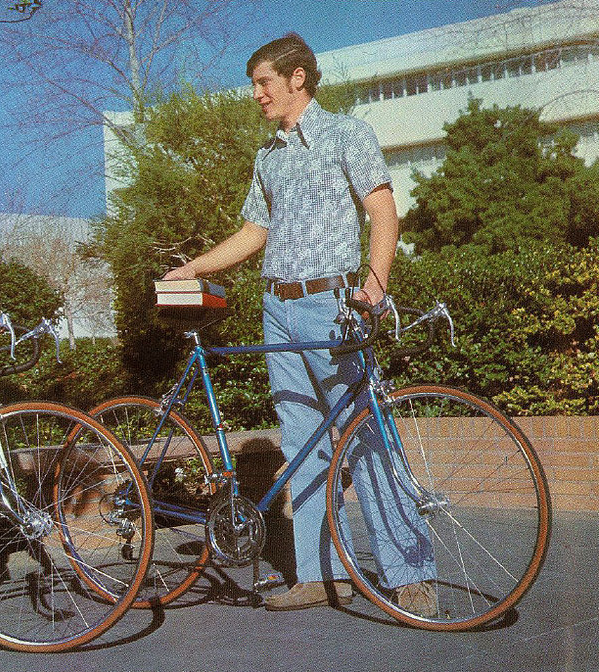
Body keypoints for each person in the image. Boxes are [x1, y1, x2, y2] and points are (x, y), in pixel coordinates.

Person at [163, 33, 436, 614]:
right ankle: (317, 574)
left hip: (332, 303)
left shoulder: (347, 134)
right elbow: (254, 233)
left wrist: (375, 287)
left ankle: (411, 570)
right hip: (276, 309)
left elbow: (384, 212)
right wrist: (195, 265)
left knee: (364, 433)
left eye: (264, 82)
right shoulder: (267, 156)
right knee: (301, 440)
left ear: (297, 80)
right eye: (254, 83)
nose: (256, 94)